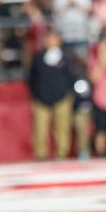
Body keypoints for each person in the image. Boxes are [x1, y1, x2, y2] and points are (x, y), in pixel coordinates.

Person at [27, 30, 74, 160]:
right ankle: (41, 154)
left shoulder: (66, 57)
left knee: (62, 128)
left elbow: (72, 76)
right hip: (42, 99)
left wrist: (68, 92)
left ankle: (62, 154)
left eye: (53, 38)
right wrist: (35, 95)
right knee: (40, 129)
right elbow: (32, 78)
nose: (50, 41)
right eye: (48, 38)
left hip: (62, 98)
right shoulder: (38, 58)